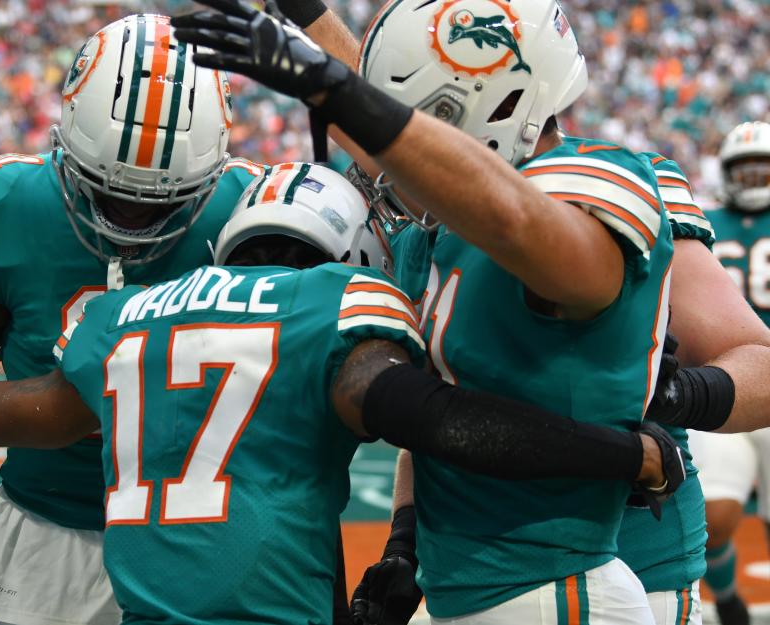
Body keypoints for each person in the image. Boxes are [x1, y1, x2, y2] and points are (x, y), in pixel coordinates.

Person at [186, 3, 770, 624]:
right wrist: (405, 544)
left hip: (619, 558)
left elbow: (760, 362)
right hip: (472, 570)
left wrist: (675, 394)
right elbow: (443, 399)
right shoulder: (428, 231)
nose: (391, 161)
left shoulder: (605, 185)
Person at [0, 163, 685, 625]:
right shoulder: (333, 307)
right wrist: (623, 452)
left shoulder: (121, 320)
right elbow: (442, 422)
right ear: (351, 255)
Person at [0, 14, 260, 625]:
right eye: (111, 192)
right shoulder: (5, 206)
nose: (129, 220)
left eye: (161, 199)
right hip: (47, 536)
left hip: (207, 538)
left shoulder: (253, 217)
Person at [676, 121, 770, 625]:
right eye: (745, 169)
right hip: (727, 383)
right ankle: (730, 601)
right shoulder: (703, 221)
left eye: (763, 168)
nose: (754, 177)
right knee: (717, 516)